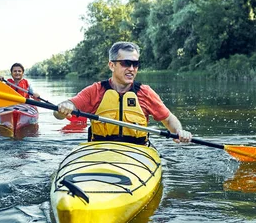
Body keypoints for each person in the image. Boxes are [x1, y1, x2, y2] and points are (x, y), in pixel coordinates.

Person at [53, 41, 192, 145]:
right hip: (99, 151)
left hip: (137, 153)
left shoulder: (145, 92)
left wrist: (179, 131)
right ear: (112, 65)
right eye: (126, 63)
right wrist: (64, 107)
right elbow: (59, 113)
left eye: (135, 64)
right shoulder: (95, 91)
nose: (131, 69)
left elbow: (168, 119)